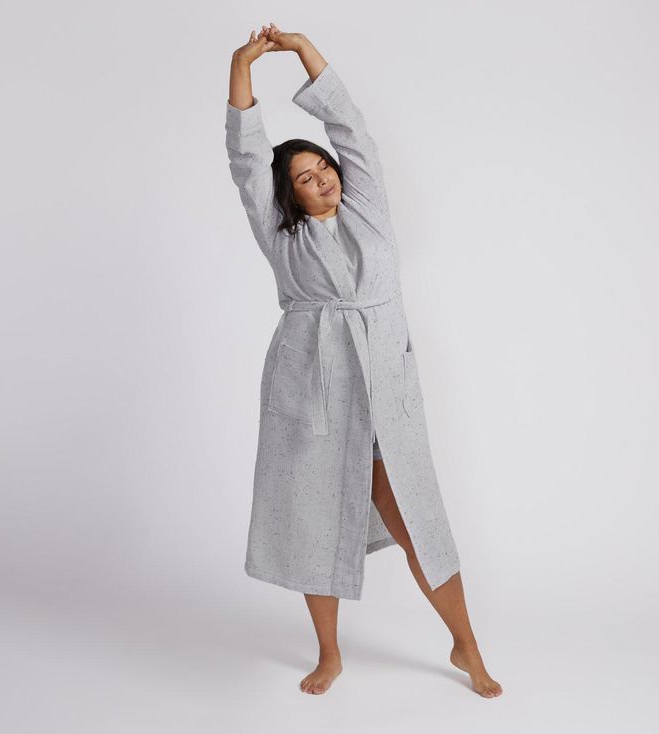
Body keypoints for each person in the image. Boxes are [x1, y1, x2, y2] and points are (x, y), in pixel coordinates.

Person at [225, 23, 503, 699]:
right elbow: (246, 159)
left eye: (322, 168)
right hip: (313, 384)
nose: (321, 178)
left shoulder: (368, 210)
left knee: (416, 519)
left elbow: (352, 130)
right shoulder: (281, 237)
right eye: (304, 178)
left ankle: (466, 644)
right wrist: (241, 65)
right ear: (288, 196)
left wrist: (304, 51)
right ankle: (329, 654)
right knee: (315, 514)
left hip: (383, 385)